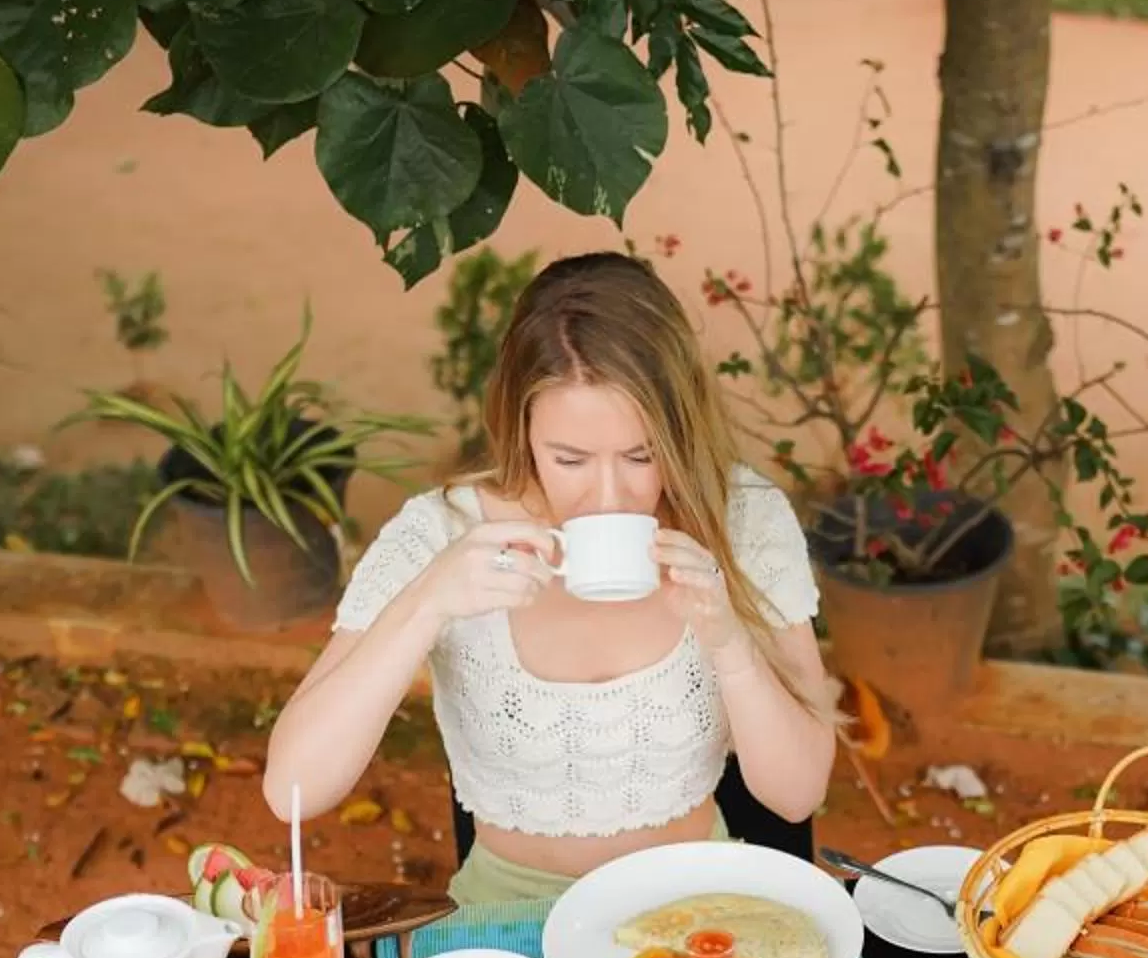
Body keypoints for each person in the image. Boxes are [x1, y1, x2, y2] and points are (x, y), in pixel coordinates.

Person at [263, 253, 836, 905]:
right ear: (522, 429)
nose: (609, 496)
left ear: (679, 428)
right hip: (507, 919)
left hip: (692, 905)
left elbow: (796, 797)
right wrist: (426, 602)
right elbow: (292, 790)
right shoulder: (441, 535)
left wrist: (731, 644)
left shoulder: (746, 520)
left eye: (641, 455)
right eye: (570, 459)